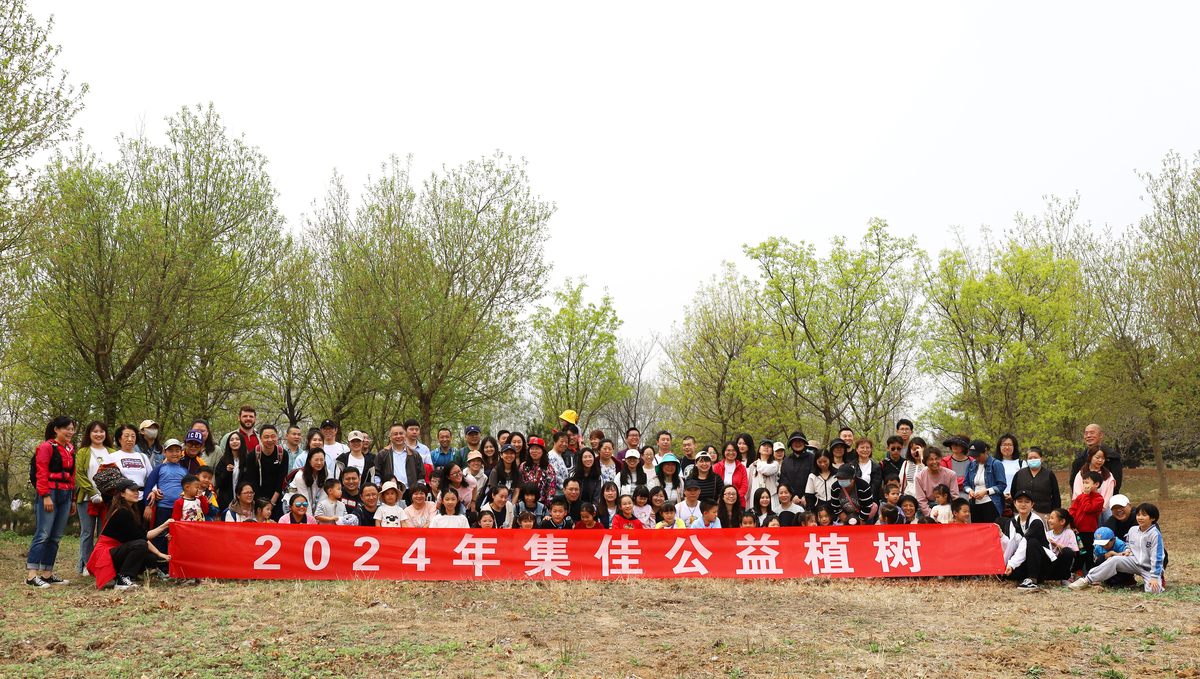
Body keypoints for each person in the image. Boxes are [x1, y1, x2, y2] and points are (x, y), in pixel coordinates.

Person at [90, 479, 173, 590]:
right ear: (122, 494)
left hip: (114, 551)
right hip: (105, 553)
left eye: (137, 491)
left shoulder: (131, 511)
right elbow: (141, 539)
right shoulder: (122, 512)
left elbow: (145, 534)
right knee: (141, 545)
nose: (136, 493)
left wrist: (165, 525)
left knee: (150, 557)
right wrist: (159, 553)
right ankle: (122, 578)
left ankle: (124, 576)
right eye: (132, 490)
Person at [27, 416, 77, 588]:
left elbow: (72, 475)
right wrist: (45, 495)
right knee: (43, 534)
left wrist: (72, 499)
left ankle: (47, 574)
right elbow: (40, 472)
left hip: (66, 494)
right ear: (56, 429)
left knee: (55, 537)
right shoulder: (46, 447)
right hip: (49, 492)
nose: (70, 432)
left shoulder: (70, 449)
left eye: (72, 429)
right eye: (67, 429)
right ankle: (32, 576)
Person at [1071, 503, 1164, 592]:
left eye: (1144, 515)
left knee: (1153, 591)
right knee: (1114, 559)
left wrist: (1154, 577)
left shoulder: (1155, 534)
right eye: (1138, 515)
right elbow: (1129, 545)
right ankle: (1087, 580)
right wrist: (1127, 551)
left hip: (1148, 568)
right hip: (1133, 562)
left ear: (1153, 518)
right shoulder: (1133, 530)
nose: (1140, 518)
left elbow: (1157, 557)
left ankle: (1154, 580)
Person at [73, 420, 112, 575]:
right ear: (89, 434)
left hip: (107, 500)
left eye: (101, 431)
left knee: (105, 533)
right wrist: (92, 493)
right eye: (95, 431)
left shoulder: (112, 452)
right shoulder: (83, 452)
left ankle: (101, 564)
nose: (98, 434)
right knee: (87, 532)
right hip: (87, 499)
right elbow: (80, 475)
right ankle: (86, 564)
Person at [999, 489, 1054, 590]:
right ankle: (1025, 577)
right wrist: (1001, 535)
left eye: (1027, 502)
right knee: (1009, 575)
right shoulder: (1012, 522)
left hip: (1042, 562)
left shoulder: (1036, 522)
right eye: (1020, 501)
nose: (1023, 504)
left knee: (1031, 542)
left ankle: (1032, 579)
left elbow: (1024, 544)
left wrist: (1012, 564)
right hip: (1024, 560)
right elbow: (1011, 545)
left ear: (1032, 504)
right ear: (1014, 503)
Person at [1069, 423, 1123, 494]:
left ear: (1101, 435)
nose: (1088, 436)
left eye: (1092, 433)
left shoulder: (1112, 458)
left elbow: (1116, 484)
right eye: (1086, 433)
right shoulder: (1079, 459)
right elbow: (1073, 483)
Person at [1069, 471, 1106, 574]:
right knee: (1079, 552)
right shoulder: (1080, 497)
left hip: (1089, 531)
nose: (1085, 485)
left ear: (1096, 484)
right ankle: (1077, 572)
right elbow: (1073, 510)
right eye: (1083, 482)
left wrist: (1086, 495)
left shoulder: (1099, 499)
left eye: (1087, 482)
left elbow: (1087, 508)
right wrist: (1073, 523)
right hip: (1078, 530)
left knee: (1089, 552)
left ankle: (1092, 573)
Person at [1008, 447, 1060, 519]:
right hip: (1022, 513)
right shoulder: (1019, 474)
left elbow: (1056, 497)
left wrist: (1055, 513)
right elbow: (1013, 493)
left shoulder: (1049, 474)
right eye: (1030, 458)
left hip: (1043, 513)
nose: (1033, 460)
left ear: (1041, 459)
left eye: (1035, 458)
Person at [962, 439, 1005, 524]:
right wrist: (970, 491)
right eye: (974, 456)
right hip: (975, 504)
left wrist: (986, 492)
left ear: (985, 451)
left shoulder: (995, 464)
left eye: (978, 455)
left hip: (991, 503)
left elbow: (1001, 485)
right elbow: (966, 484)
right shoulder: (970, 465)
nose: (976, 458)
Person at [214, 430, 258, 510]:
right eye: (232, 440)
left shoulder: (248, 460)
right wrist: (226, 472)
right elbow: (218, 481)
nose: (234, 442)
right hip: (227, 502)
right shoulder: (224, 460)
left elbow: (252, 480)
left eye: (237, 439)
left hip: (245, 501)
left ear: (242, 442)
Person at [376, 423, 425, 490]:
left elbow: (421, 475)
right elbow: (377, 473)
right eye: (395, 434)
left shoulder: (414, 454)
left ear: (405, 435)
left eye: (401, 433)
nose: (399, 436)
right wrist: (378, 487)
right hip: (390, 491)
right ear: (390, 437)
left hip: (410, 491)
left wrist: (418, 488)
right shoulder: (383, 454)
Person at [254, 424, 288, 516]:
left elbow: (281, 479)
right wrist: (261, 503)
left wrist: (272, 502)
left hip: (277, 496)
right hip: (258, 497)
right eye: (266, 437)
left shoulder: (282, 454)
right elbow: (252, 480)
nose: (270, 440)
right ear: (260, 438)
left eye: (273, 436)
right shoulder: (254, 454)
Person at [1071, 447, 1115, 512]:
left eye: (1103, 458)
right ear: (1090, 457)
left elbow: (1108, 497)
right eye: (1097, 457)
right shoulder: (1081, 474)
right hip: (1083, 508)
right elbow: (1077, 494)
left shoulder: (1108, 475)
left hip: (1101, 510)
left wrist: (1099, 508)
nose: (1100, 460)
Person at [1045, 508, 1079, 584]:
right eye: (1049, 518)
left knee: (1067, 551)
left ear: (1062, 522)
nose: (1049, 520)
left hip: (1061, 565)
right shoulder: (1047, 534)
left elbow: (1073, 553)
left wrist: (1057, 545)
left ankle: (1064, 578)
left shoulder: (1069, 533)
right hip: (1050, 564)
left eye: (1052, 518)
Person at [520, 437, 557, 506]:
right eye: (532, 448)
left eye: (537, 448)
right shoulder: (523, 466)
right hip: (525, 504)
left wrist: (546, 507)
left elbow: (551, 489)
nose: (534, 451)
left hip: (541, 505)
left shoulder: (549, 469)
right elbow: (520, 486)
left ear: (543, 451)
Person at [713, 442, 749, 507]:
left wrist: (734, 497)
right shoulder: (717, 467)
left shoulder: (742, 467)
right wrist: (724, 497)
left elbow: (744, 486)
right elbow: (714, 485)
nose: (731, 453)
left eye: (733, 450)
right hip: (721, 502)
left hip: (738, 502)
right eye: (728, 450)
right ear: (724, 452)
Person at [850, 438, 883, 503]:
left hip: (870, 501)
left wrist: (867, 499)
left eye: (867, 447)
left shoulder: (876, 467)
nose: (865, 450)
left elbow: (875, 487)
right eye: (862, 447)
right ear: (856, 449)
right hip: (853, 501)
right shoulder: (851, 465)